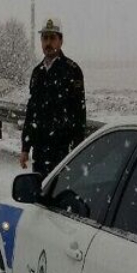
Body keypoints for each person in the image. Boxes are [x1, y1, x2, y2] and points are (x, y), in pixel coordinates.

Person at [19, 17, 86, 176]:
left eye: (52, 38)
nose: (48, 43)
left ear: (60, 41)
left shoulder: (72, 70)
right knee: (40, 194)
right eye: (45, 38)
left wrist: (77, 149)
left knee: (60, 196)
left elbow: (79, 113)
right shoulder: (37, 72)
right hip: (40, 150)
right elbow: (32, 111)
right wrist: (25, 147)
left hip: (63, 150)